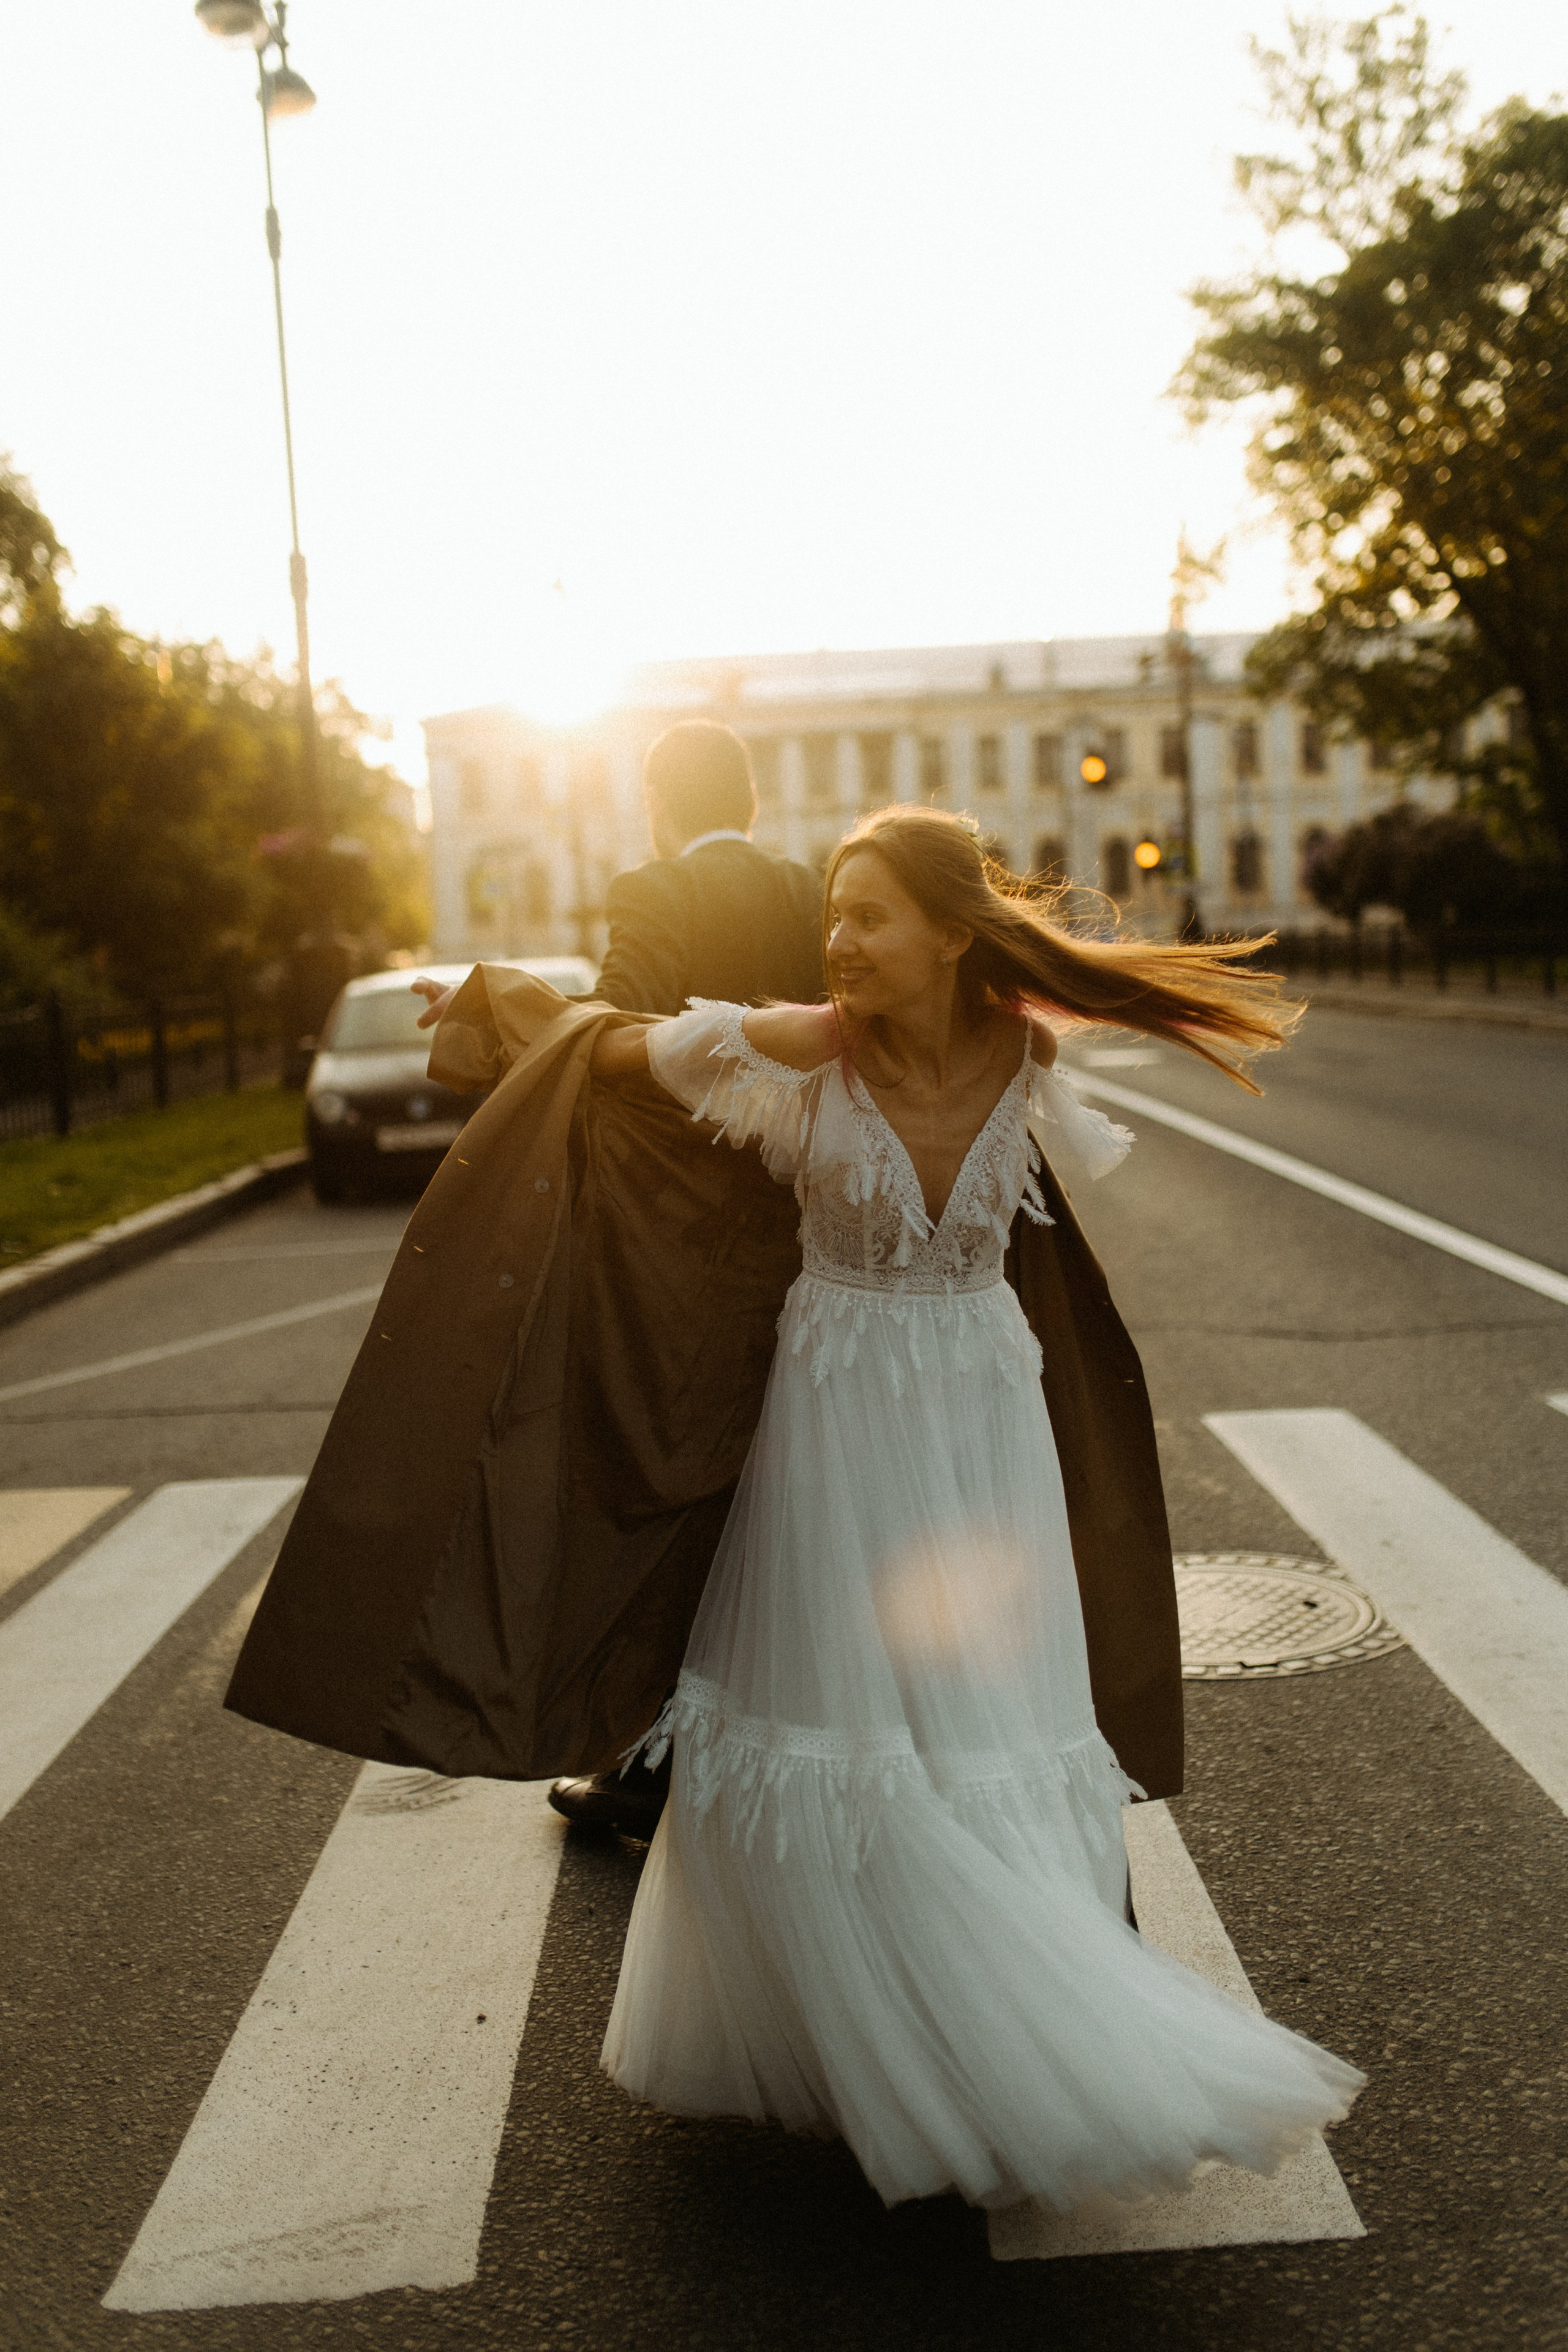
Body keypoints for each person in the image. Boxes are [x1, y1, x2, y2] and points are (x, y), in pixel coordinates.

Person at [578, 805, 1363, 2212]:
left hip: (983, 1422)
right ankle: (870, 2034)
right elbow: (618, 1051)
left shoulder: (1031, 1057)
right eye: (829, 910)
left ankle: (983, 2022)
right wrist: (502, 1007)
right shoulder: (793, 1050)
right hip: (832, 1420)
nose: (836, 938)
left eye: (864, 914)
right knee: (841, 1719)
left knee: (981, 1727)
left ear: (949, 934)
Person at [411, 717, 823, 1838]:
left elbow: (611, 1035)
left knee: (665, 1480)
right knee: (784, 1477)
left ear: (658, 803)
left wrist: (497, 1009)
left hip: (681, 1237)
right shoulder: (809, 883)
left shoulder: (656, 888)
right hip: (808, 1220)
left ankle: (656, 1756)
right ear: (745, 800)